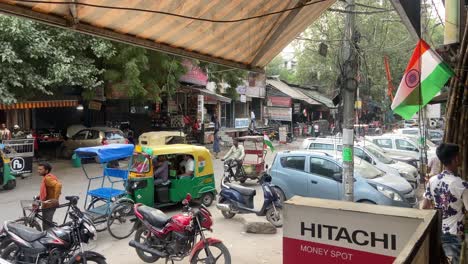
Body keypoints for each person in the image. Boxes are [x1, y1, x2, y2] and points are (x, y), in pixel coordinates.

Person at [422, 143, 465, 263]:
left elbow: (425, 206)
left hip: (437, 231)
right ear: (456, 159)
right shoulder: (461, 185)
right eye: (459, 155)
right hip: (454, 234)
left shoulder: (432, 180)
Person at [37, 162, 62, 230]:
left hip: (50, 204)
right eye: (38, 169)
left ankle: (49, 239)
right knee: (47, 222)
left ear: (46, 170)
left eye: (40, 169)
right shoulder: (48, 177)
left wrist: (55, 199)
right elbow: (49, 189)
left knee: (46, 225)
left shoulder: (48, 178)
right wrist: (40, 196)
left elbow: (58, 185)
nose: (38, 171)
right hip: (47, 203)